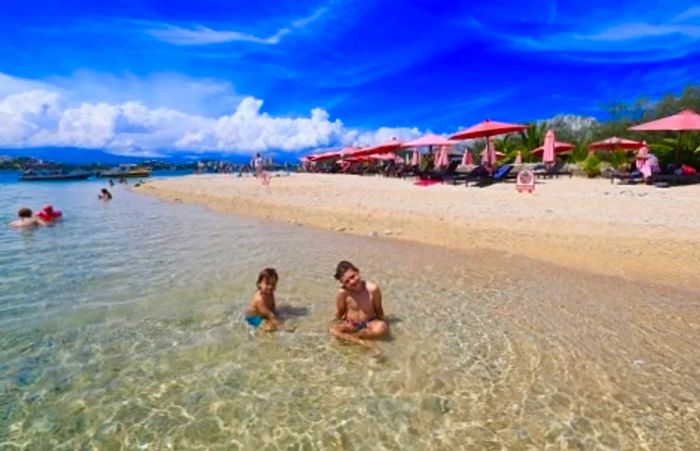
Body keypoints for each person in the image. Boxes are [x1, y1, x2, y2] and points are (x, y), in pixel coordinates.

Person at [328, 261, 389, 355]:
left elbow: (379, 310)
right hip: (351, 324)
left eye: (352, 276)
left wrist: (384, 323)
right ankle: (363, 343)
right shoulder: (343, 293)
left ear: (358, 272)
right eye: (347, 281)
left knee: (382, 327)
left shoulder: (373, 289)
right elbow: (340, 313)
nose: (352, 282)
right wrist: (333, 324)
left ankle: (352, 339)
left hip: (369, 324)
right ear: (343, 284)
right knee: (333, 329)